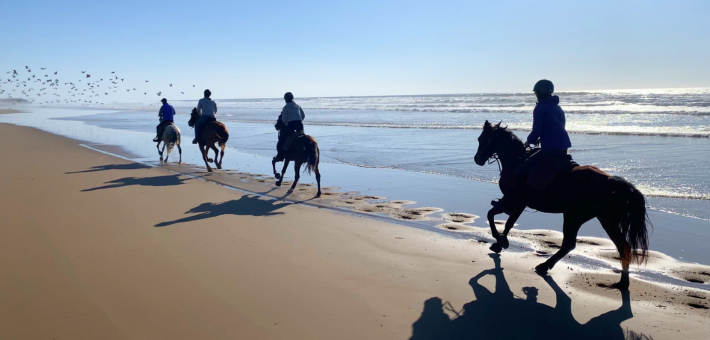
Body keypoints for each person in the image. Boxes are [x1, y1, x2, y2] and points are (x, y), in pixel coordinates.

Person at [493, 79, 572, 210]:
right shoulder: (557, 107)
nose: (536, 95)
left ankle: (513, 202)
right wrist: (542, 138)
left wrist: (528, 142)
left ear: (540, 93)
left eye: (536, 93)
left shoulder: (540, 107)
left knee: (519, 170)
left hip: (550, 149)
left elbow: (536, 130)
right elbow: (558, 127)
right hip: (563, 148)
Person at [273, 92, 305, 161]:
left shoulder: (285, 107)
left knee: (282, 140)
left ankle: (280, 156)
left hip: (291, 125)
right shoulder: (298, 106)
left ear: (285, 99)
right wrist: (299, 120)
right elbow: (303, 115)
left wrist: (287, 123)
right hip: (300, 125)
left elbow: (284, 119)